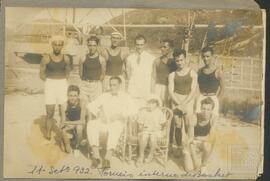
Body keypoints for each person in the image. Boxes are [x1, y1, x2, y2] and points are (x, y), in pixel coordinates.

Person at [86, 76, 134, 168]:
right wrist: (99, 113)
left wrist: (121, 115)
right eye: (110, 85)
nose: (112, 87)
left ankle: (107, 158)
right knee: (91, 124)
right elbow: (90, 105)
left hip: (117, 122)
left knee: (115, 129)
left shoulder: (126, 97)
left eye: (114, 85)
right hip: (104, 122)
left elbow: (133, 110)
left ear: (120, 85)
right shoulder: (105, 95)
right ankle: (96, 157)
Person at [39, 35, 71, 140]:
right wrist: (50, 81)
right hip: (50, 84)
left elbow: (68, 72)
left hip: (62, 83)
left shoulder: (66, 58)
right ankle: (48, 132)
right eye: (55, 45)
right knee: (50, 111)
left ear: (62, 46)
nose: (57, 47)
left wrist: (61, 81)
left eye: (59, 45)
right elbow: (42, 74)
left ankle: (62, 132)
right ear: (52, 45)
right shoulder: (46, 58)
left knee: (63, 109)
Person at [168, 48, 197, 138]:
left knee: (189, 124)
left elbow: (193, 91)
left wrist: (184, 103)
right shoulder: (172, 75)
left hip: (188, 100)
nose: (180, 62)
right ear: (175, 61)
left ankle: (189, 147)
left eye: (181, 60)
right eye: (177, 61)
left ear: (185, 59)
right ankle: (178, 146)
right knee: (177, 124)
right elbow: (171, 91)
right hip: (176, 100)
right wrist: (179, 103)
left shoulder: (193, 73)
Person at [182, 97, 217, 172]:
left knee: (208, 144)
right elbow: (191, 140)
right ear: (200, 108)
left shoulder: (213, 118)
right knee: (189, 169)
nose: (205, 112)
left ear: (212, 110)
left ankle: (204, 164)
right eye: (203, 108)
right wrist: (195, 163)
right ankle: (194, 158)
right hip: (191, 144)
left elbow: (211, 138)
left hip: (201, 142)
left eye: (208, 109)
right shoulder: (194, 117)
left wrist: (199, 138)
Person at [136, 95, 166, 164]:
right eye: (149, 103)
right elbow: (140, 124)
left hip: (156, 131)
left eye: (153, 103)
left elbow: (163, 124)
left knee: (153, 138)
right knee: (144, 136)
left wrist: (158, 128)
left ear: (157, 104)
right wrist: (142, 127)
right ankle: (141, 155)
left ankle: (151, 155)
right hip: (146, 130)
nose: (150, 105)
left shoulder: (159, 112)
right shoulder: (144, 112)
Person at [126, 34, 156, 102]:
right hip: (133, 90)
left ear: (145, 45)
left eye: (141, 44)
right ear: (135, 45)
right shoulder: (129, 58)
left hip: (145, 90)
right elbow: (129, 76)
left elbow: (153, 76)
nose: (139, 47)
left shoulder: (151, 58)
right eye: (137, 44)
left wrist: (152, 91)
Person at [196, 46, 224, 116]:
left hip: (213, 99)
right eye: (203, 56)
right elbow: (196, 87)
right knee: (198, 120)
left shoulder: (218, 71)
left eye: (207, 56)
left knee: (212, 122)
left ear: (212, 56)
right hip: (201, 98)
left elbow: (223, 88)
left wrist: (216, 100)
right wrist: (198, 98)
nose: (205, 59)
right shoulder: (199, 71)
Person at [60, 85, 87, 155]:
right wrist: (64, 128)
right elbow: (63, 122)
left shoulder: (82, 103)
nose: (72, 98)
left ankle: (77, 147)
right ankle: (67, 141)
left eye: (75, 95)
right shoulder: (64, 105)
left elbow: (83, 121)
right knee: (67, 150)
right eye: (71, 95)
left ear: (78, 96)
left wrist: (69, 123)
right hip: (71, 124)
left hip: (79, 124)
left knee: (79, 127)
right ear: (67, 95)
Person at [79, 36, 106, 103]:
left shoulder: (101, 59)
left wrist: (96, 84)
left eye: (94, 45)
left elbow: (102, 75)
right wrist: (86, 82)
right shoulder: (83, 58)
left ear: (97, 46)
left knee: (94, 108)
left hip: (96, 86)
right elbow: (80, 74)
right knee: (84, 107)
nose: (92, 48)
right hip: (84, 85)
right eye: (90, 45)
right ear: (87, 46)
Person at [153, 39, 176, 106]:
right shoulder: (157, 61)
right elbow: (153, 77)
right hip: (158, 87)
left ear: (171, 48)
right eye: (161, 47)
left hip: (169, 87)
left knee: (168, 107)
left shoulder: (175, 62)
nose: (162, 49)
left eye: (165, 47)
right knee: (157, 107)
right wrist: (152, 92)